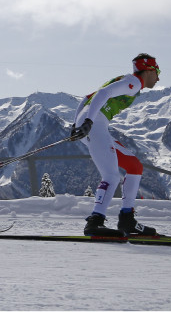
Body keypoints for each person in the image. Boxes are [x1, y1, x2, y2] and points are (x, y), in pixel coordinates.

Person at [70, 53, 162, 237]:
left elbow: (87, 97)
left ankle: (127, 219)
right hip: (95, 124)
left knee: (134, 166)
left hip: (91, 123)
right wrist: (88, 121)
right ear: (149, 70)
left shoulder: (126, 80)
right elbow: (103, 94)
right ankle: (95, 222)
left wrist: (77, 124)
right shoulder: (134, 82)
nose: (158, 77)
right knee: (111, 176)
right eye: (157, 71)